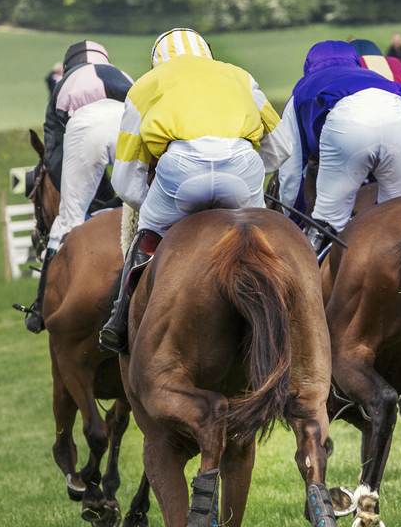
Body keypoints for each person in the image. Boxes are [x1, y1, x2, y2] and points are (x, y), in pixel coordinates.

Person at [98, 29, 291, 354]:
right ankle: (293, 309)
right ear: (207, 53)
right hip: (242, 167)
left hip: (180, 172)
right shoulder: (239, 76)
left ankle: (118, 319)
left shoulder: (145, 85)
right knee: (264, 236)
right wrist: (250, 171)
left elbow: (125, 181)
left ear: (157, 60)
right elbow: (282, 147)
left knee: (148, 227)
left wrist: (155, 206)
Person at [268, 40, 401, 251]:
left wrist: (294, 217)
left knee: (328, 223)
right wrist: (380, 210)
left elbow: (292, 170)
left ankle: (313, 262)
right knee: (397, 221)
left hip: (348, 128)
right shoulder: (379, 79)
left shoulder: (303, 88)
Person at [19, 41, 133, 333]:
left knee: (66, 222)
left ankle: (39, 308)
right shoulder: (124, 76)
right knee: (148, 213)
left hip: (86, 128)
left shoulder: (63, 83)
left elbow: (54, 158)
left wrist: (93, 203)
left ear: (69, 65)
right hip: (128, 126)